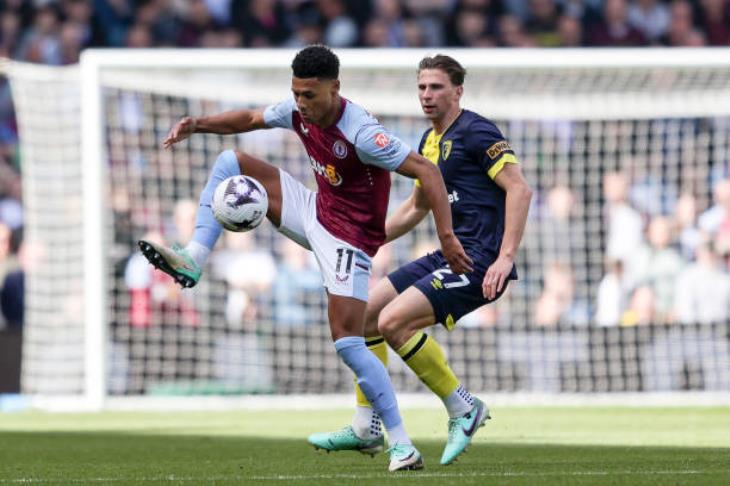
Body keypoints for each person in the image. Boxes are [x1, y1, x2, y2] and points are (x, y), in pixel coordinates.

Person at [137, 45, 472, 472]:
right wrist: (198, 124)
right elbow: (252, 118)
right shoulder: (299, 110)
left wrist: (445, 235)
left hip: (348, 241)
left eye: (310, 95)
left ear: (335, 88)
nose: (301, 103)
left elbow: (427, 170)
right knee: (230, 162)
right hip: (315, 211)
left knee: (349, 342)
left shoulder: (363, 133)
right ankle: (193, 258)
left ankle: (401, 444)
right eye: (296, 93)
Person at [307, 55, 532, 465]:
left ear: (458, 91)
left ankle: (463, 407)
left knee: (393, 322)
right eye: (422, 88)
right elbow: (414, 209)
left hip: (478, 260)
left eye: (436, 87)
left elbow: (519, 190)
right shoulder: (429, 142)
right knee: (365, 316)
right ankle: (366, 425)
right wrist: (360, 237)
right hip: (449, 252)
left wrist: (505, 258)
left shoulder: (478, 131)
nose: (427, 95)